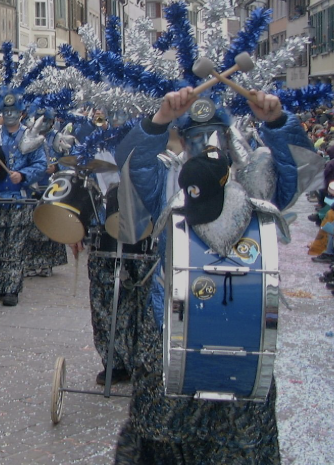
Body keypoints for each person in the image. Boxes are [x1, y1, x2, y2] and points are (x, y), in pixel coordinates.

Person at [112, 87, 312, 464]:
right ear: (183, 139)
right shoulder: (170, 181)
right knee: (162, 440)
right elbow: (134, 165)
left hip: (241, 338)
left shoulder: (256, 185)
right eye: (195, 135)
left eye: (217, 131)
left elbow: (295, 174)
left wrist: (277, 123)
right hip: (169, 329)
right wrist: (158, 121)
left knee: (237, 445)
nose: (208, 143)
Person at [0, 97, 52, 306]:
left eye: (14, 111)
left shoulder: (30, 136)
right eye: (6, 111)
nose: (10, 114)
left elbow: (41, 164)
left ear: (22, 113)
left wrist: (23, 175)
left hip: (18, 200)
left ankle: (12, 287)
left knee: (15, 245)